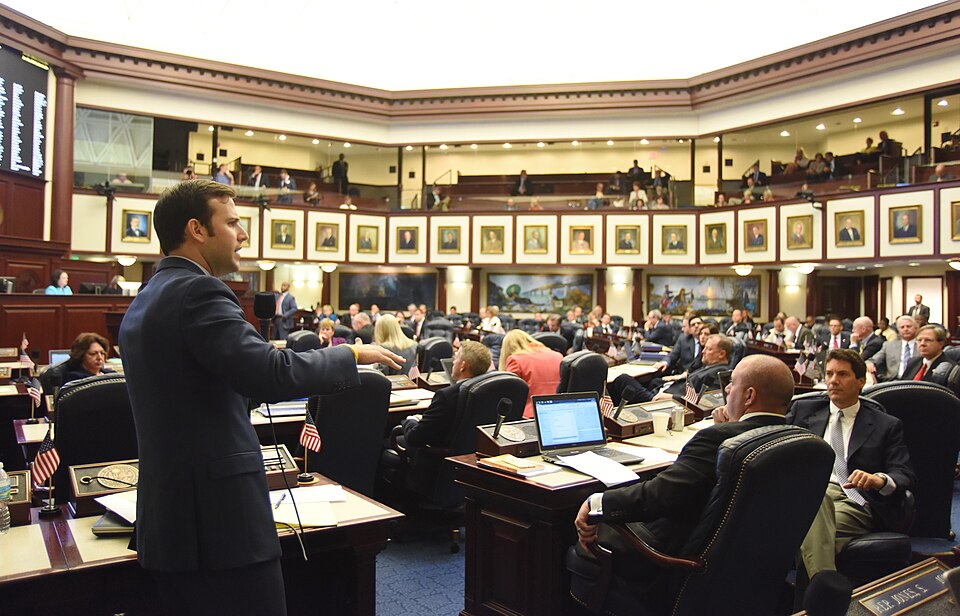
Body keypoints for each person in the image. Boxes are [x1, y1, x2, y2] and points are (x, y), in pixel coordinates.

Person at [118, 179, 402, 615]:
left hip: (172, 520)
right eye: (232, 223)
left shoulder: (148, 296)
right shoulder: (199, 291)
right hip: (220, 526)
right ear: (197, 229)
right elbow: (271, 374)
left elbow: (196, 394)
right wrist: (349, 352)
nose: (244, 234)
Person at [573, 355, 795, 607]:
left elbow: (660, 496)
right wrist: (733, 427)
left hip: (674, 557)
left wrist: (597, 502)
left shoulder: (719, 439)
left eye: (733, 384)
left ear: (749, 396)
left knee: (573, 533)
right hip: (749, 569)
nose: (727, 390)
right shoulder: (796, 440)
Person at [783, 349, 915, 577]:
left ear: (861, 382)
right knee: (816, 527)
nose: (833, 381)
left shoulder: (886, 424)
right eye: (829, 374)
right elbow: (773, 439)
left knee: (805, 532)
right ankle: (823, 596)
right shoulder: (804, 411)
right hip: (804, 495)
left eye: (842, 374)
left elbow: (904, 473)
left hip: (853, 500)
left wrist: (878, 479)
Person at [397, 340, 491, 490]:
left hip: (437, 462)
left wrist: (409, 420)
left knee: (393, 437)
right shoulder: (487, 391)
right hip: (470, 467)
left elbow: (415, 438)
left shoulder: (447, 396)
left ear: (462, 366)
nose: (453, 361)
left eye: (456, 357)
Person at [500, 329, 564, 419]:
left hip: (530, 415)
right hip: (559, 411)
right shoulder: (558, 356)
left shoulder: (515, 360)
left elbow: (509, 392)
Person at [866, 315, 918, 382]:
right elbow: (873, 360)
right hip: (893, 382)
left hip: (916, 382)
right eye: (902, 327)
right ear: (898, 330)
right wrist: (869, 363)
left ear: (916, 328)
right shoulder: (889, 346)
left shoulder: (921, 345)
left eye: (908, 326)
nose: (905, 329)